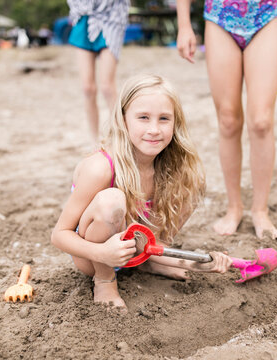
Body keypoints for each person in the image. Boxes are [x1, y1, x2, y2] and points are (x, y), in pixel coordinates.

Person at [51, 74, 232, 310]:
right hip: (94, 256)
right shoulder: (101, 167)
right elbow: (59, 235)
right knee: (112, 201)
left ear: (175, 123)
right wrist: (102, 253)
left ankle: (151, 263)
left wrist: (199, 263)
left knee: (191, 179)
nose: (154, 129)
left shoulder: (171, 168)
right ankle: (105, 280)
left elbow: (150, 240)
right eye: (143, 118)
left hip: (137, 250)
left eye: (164, 119)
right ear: (123, 119)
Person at [176, 0, 277, 239]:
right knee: (228, 120)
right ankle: (234, 207)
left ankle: (260, 210)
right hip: (220, 18)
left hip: (265, 17)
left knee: (261, 121)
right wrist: (184, 24)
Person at [67, 0, 130, 144]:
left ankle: (120, 139)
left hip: (111, 18)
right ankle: (94, 141)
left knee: (107, 87)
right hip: (82, 16)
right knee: (87, 88)